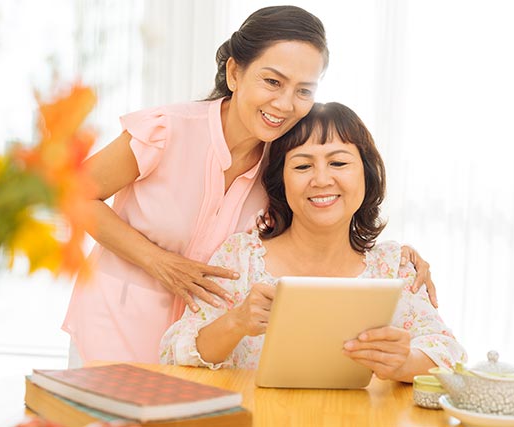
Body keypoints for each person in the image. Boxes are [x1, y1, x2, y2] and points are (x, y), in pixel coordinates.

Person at [63, 6, 435, 367]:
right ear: (235, 73)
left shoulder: (285, 162)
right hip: (115, 330)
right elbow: (71, 194)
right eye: (273, 81)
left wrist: (397, 258)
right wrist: (161, 263)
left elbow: (320, 229)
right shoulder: (167, 129)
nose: (285, 103)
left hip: (202, 354)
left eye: (304, 90)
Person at [160, 102, 466, 382]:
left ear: (367, 174)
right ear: (281, 181)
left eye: (338, 163)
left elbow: (450, 356)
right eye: (303, 166)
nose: (321, 180)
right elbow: (175, 354)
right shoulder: (240, 258)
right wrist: (236, 322)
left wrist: (403, 362)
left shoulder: (393, 267)